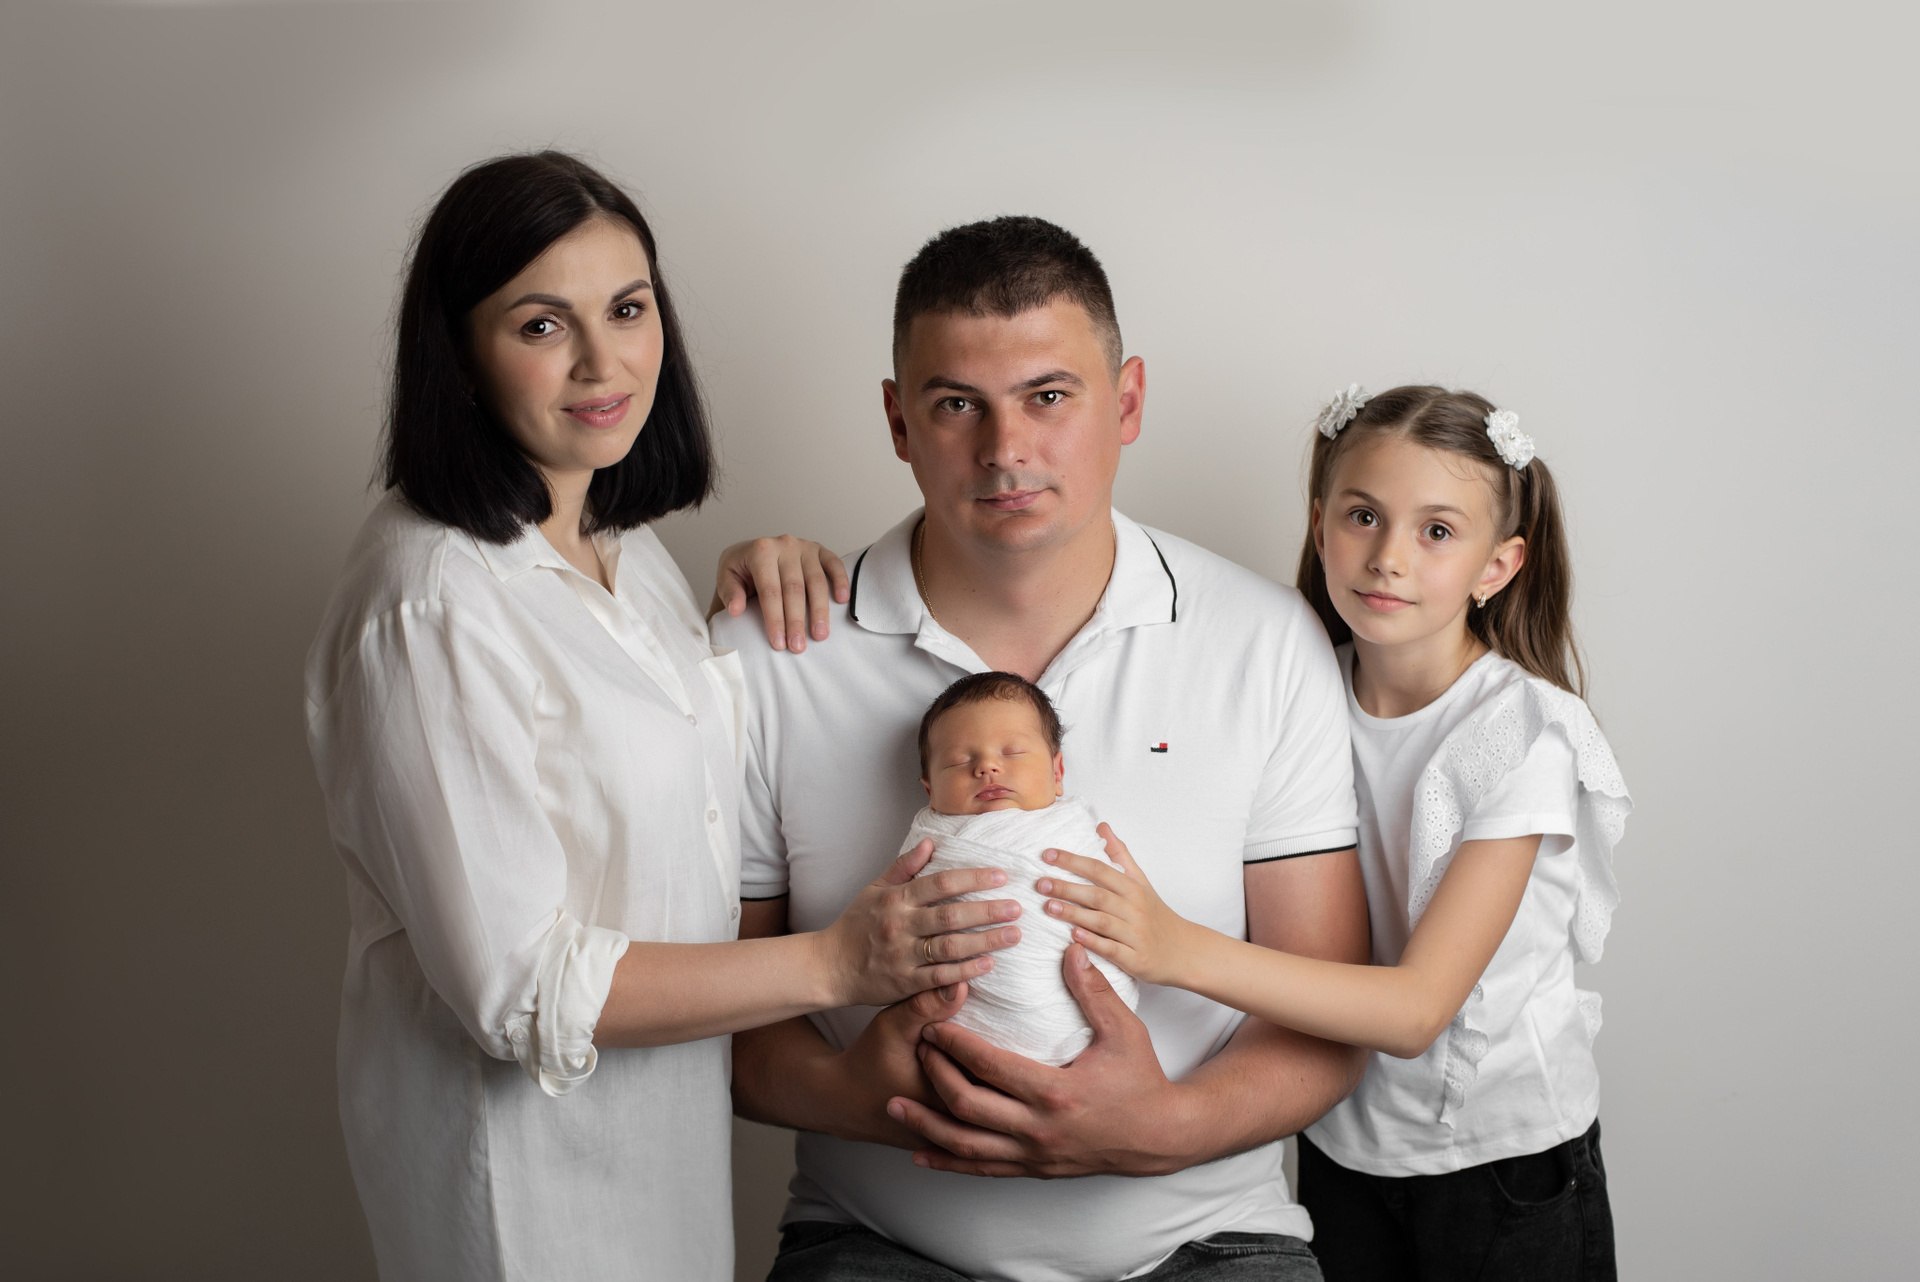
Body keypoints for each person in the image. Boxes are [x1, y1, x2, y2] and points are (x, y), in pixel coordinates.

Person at [303, 152, 1020, 1282]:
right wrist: (836, 964)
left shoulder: (620, 549)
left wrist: (740, 599)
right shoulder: (430, 600)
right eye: (543, 325)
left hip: (661, 1161)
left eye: (628, 310)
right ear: (459, 351)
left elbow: (643, 786)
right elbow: (519, 987)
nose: (604, 361)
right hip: (525, 1193)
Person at [715, 216, 1369, 1282]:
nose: (1005, 449)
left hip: (1208, 1244)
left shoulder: (1261, 638)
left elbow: (1330, 1008)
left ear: (1129, 401)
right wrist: (854, 1096)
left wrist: (1161, 1128)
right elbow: (718, 1018)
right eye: (956, 404)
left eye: (1049, 396)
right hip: (879, 1243)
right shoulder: (774, 650)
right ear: (898, 420)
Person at [1042, 386, 1630, 1279]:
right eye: (1364, 517)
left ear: (1498, 566)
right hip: (1339, 1150)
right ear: (1320, 527)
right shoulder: (1300, 685)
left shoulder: (1521, 736)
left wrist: (1173, 948)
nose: (1388, 557)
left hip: (1504, 1167)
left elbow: (1416, 1011)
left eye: (1437, 531)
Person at [907, 672, 1139, 1067]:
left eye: (1013, 752)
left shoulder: (1072, 830)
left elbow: (1122, 914)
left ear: (1057, 773)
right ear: (929, 790)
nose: (987, 767)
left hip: (1093, 1038)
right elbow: (901, 923)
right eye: (959, 761)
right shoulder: (928, 843)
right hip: (957, 1042)